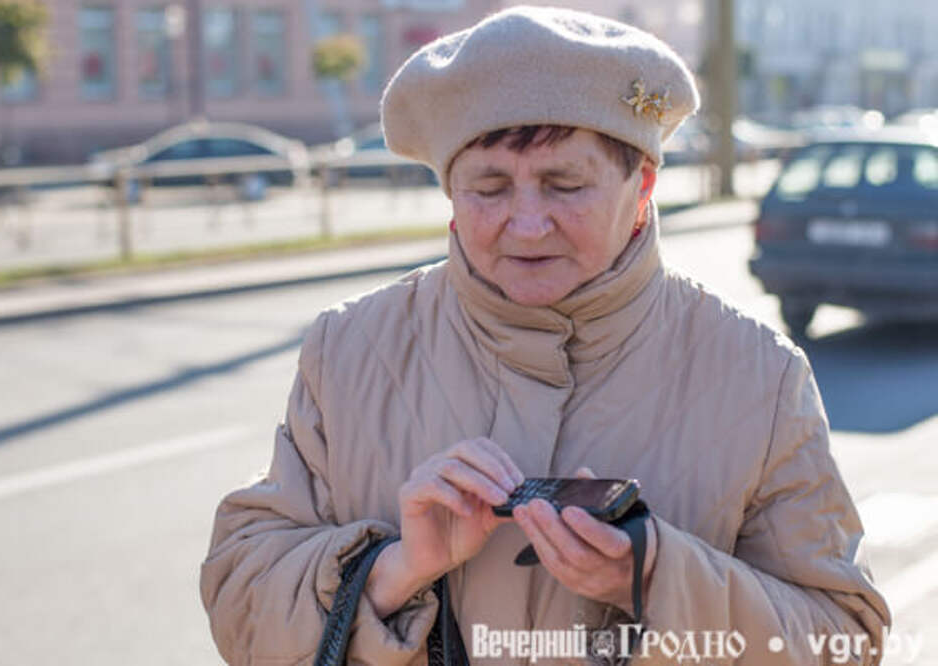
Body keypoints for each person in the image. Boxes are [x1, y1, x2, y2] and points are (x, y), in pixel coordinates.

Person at [200, 6, 890, 664]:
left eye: (564, 184)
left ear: (643, 184)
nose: (527, 225)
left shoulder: (760, 377)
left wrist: (654, 575)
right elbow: (240, 594)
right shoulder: (349, 349)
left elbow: (843, 640)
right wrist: (395, 570)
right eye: (489, 188)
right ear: (448, 191)